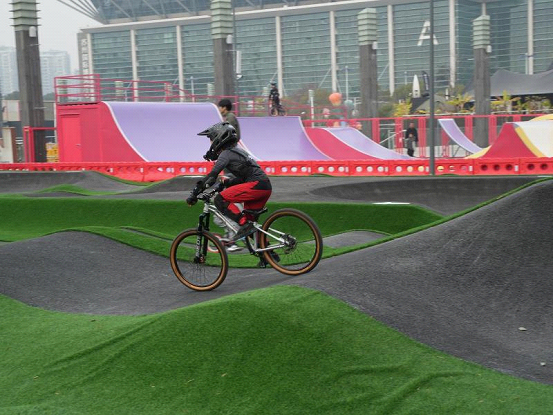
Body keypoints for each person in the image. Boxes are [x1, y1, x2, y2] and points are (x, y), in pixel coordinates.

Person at [186, 122, 272, 244]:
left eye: (211, 139)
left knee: (220, 200)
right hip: (265, 187)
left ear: (218, 138)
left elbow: (211, 176)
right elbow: (244, 177)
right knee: (250, 228)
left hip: (256, 186)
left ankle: (243, 223)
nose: (210, 143)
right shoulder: (238, 151)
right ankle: (268, 252)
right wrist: (227, 182)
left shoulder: (226, 154)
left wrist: (194, 193)